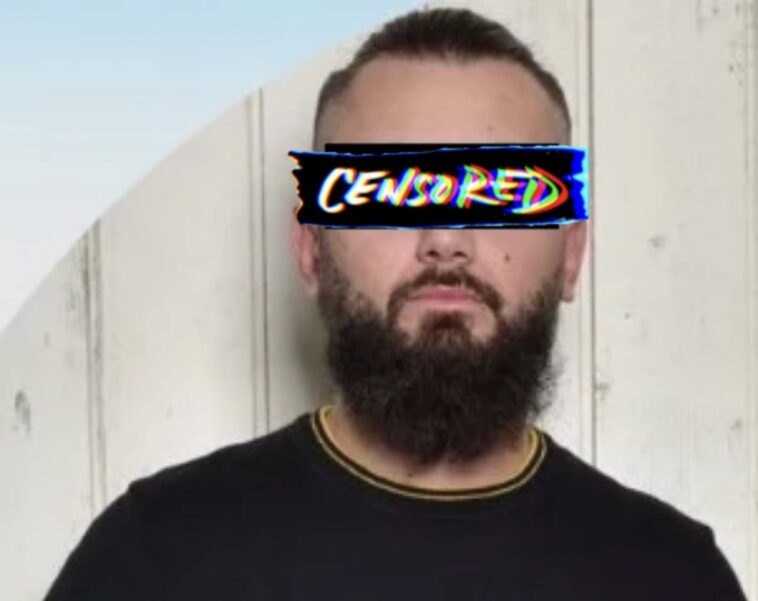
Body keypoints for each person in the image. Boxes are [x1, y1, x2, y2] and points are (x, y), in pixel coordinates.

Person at [45, 7, 747, 600]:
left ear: (571, 251)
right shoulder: (154, 557)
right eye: (391, 190)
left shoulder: (675, 576)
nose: (446, 240)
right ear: (310, 248)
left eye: (504, 192)